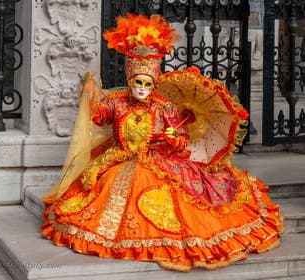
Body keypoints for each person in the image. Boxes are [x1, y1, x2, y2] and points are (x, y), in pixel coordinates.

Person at [42, 14, 283, 272]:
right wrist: (89, 94)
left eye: (147, 83)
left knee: (175, 201)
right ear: (129, 80)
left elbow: (181, 142)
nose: (142, 88)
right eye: (138, 83)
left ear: (154, 82)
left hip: (157, 161)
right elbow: (98, 118)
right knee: (100, 190)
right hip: (117, 159)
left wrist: (173, 138)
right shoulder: (117, 101)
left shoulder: (164, 108)